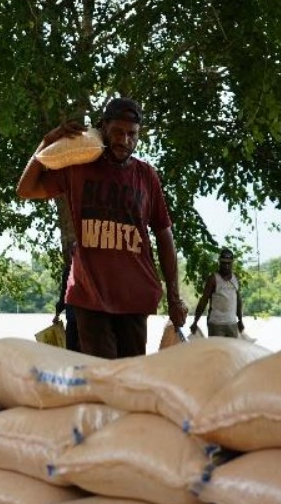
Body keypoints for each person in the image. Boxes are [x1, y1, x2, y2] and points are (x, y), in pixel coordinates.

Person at [17, 97, 188, 358]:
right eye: (118, 132)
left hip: (134, 295)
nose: (125, 140)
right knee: (103, 373)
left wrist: (174, 298)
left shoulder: (146, 176)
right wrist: (47, 141)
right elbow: (26, 189)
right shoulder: (78, 169)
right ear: (103, 128)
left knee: (129, 376)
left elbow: (164, 234)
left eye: (132, 134)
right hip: (89, 295)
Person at [190, 248, 244, 338]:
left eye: (229, 263)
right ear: (219, 262)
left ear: (232, 263)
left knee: (231, 352)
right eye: (224, 263)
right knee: (217, 351)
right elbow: (203, 301)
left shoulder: (236, 278)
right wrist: (195, 321)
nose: (226, 266)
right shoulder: (213, 279)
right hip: (216, 324)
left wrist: (240, 320)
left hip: (232, 323)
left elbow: (238, 300)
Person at [52, 243, 80, 352]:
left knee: (72, 350)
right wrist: (57, 313)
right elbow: (64, 294)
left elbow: (64, 294)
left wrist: (57, 313)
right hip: (81, 317)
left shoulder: (69, 271)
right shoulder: (69, 271)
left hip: (77, 318)